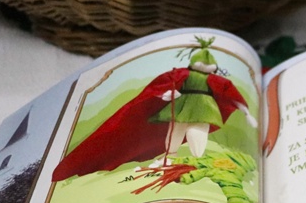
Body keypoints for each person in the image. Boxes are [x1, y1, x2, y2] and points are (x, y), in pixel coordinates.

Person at [52, 37, 254, 182]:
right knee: (176, 131)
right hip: (183, 107)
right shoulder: (182, 74)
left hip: (204, 109)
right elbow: (165, 85)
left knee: (196, 132)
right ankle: (171, 157)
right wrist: (167, 94)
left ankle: (195, 160)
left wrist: (245, 111)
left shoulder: (213, 80)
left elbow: (229, 92)